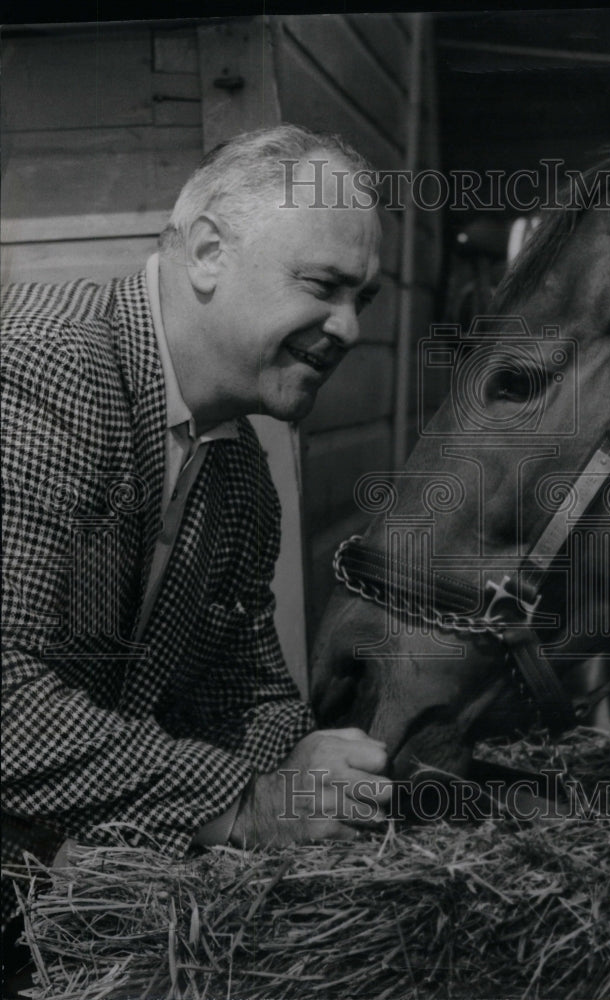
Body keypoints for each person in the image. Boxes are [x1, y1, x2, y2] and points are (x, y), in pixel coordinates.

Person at [1, 125, 390, 948]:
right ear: (209, 251)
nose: (348, 328)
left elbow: (237, 691)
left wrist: (349, 782)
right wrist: (252, 806)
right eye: (324, 283)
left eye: (364, 300)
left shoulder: (240, 473)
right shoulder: (42, 368)